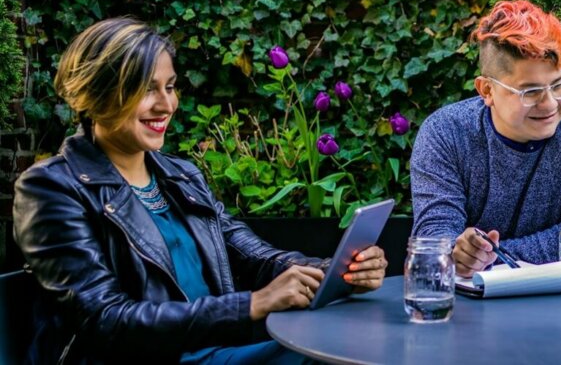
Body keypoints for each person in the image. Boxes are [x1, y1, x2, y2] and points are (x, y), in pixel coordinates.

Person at [13, 18, 388, 364]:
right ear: (97, 94)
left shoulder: (181, 177)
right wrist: (252, 305)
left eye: (170, 87)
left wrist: (336, 271)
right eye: (147, 90)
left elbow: (254, 257)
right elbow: (106, 320)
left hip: (215, 352)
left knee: (353, 341)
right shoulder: (51, 188)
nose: (167, 104)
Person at [411, 0, 561, 276]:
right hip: (472, 310)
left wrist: (485, 260)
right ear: (486, 90)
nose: (549, 104)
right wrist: (456, 252)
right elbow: (435, 240)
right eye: (530, 92)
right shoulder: (445, 133)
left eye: (559, 84)